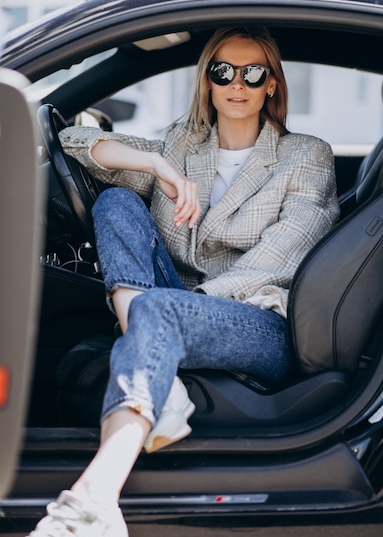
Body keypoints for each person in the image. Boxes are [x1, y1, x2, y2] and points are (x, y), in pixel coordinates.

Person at [28, 27, 340, 536]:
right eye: (223, 71)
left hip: (261, 320)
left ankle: (95, 500)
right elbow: (71, 139)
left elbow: (276, 261)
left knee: (157, 310)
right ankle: (157, 371)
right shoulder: (183, 144)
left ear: (272, 86)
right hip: (170, 307)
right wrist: (156, 164)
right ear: (207, 82)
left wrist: (170, 309)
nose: (237, 83)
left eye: (253, 73)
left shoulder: (305, 156)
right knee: (117, 203)